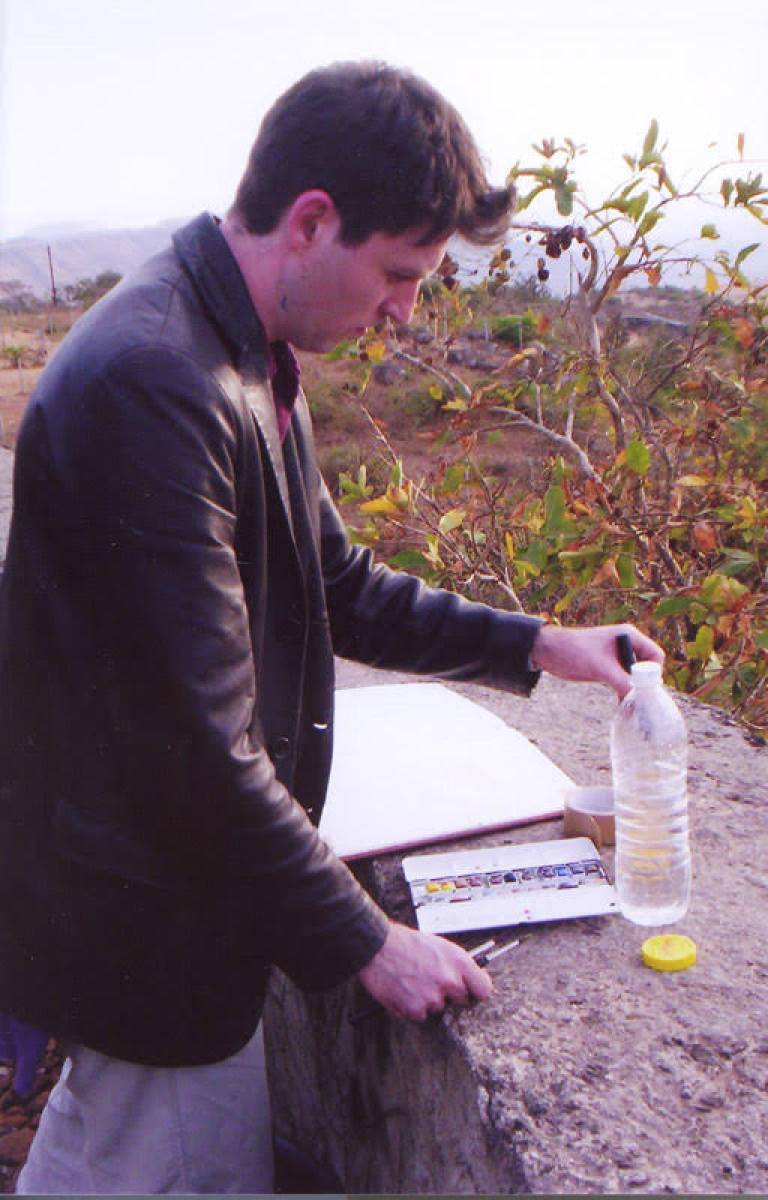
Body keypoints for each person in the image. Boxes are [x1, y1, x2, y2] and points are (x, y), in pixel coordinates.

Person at [0, 61, 662, 1194]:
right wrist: (368, 941)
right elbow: (196, 750)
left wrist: (538, 644)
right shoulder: (160, 385)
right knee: (156, 1159)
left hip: (175, 903)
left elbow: (336, 584)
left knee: (124, 1139)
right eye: (400, 271)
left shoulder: (239, 348)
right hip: (143, 919)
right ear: (311, 221)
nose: (406, 307)